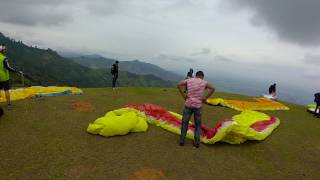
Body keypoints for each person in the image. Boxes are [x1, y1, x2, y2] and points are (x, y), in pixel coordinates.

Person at [177, 71, 215, 148]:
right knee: (198, 125)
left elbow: (178, 85)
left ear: (196, 75)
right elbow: (213, 88)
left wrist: (183, 95)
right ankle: (196, 142)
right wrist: (205, 98)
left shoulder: (189, 80)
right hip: (198, 106)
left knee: (185, 123)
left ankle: (182, 141)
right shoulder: (204, 82)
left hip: (188, 104)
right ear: (202, 76)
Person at [0, 45, 23, 110]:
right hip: (4, 77)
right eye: (4, 50)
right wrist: (17, 71)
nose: (5, 51)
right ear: (2, 51)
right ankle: (8, 104)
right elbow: (8, 68)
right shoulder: (4, 58)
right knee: (6, 90)